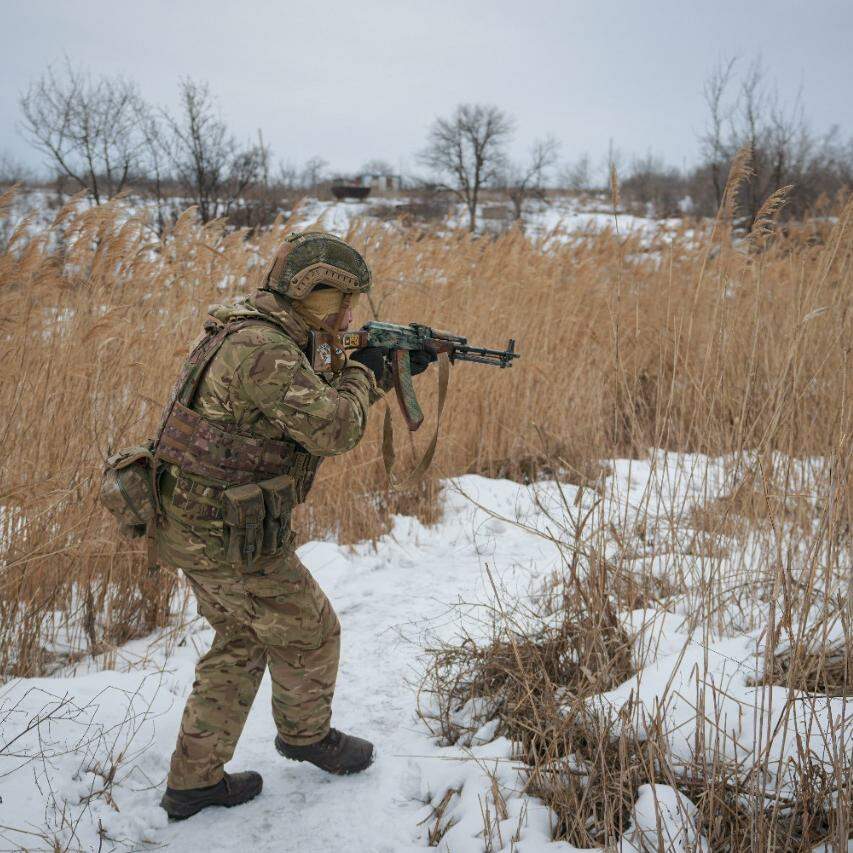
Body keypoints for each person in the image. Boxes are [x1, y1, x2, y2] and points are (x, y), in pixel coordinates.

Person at [155, 231, 434, 819]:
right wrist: (370, 374)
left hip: (193, 519)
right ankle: (306, 738)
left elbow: (311, 380)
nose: (349, 314)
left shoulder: (257, 328)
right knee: (312, 631)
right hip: (225, 532)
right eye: (342, 301)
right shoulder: (265, 350)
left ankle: (194, 781)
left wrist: (372, 359)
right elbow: (333, 428)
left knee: (242, 637)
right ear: (310, 293)